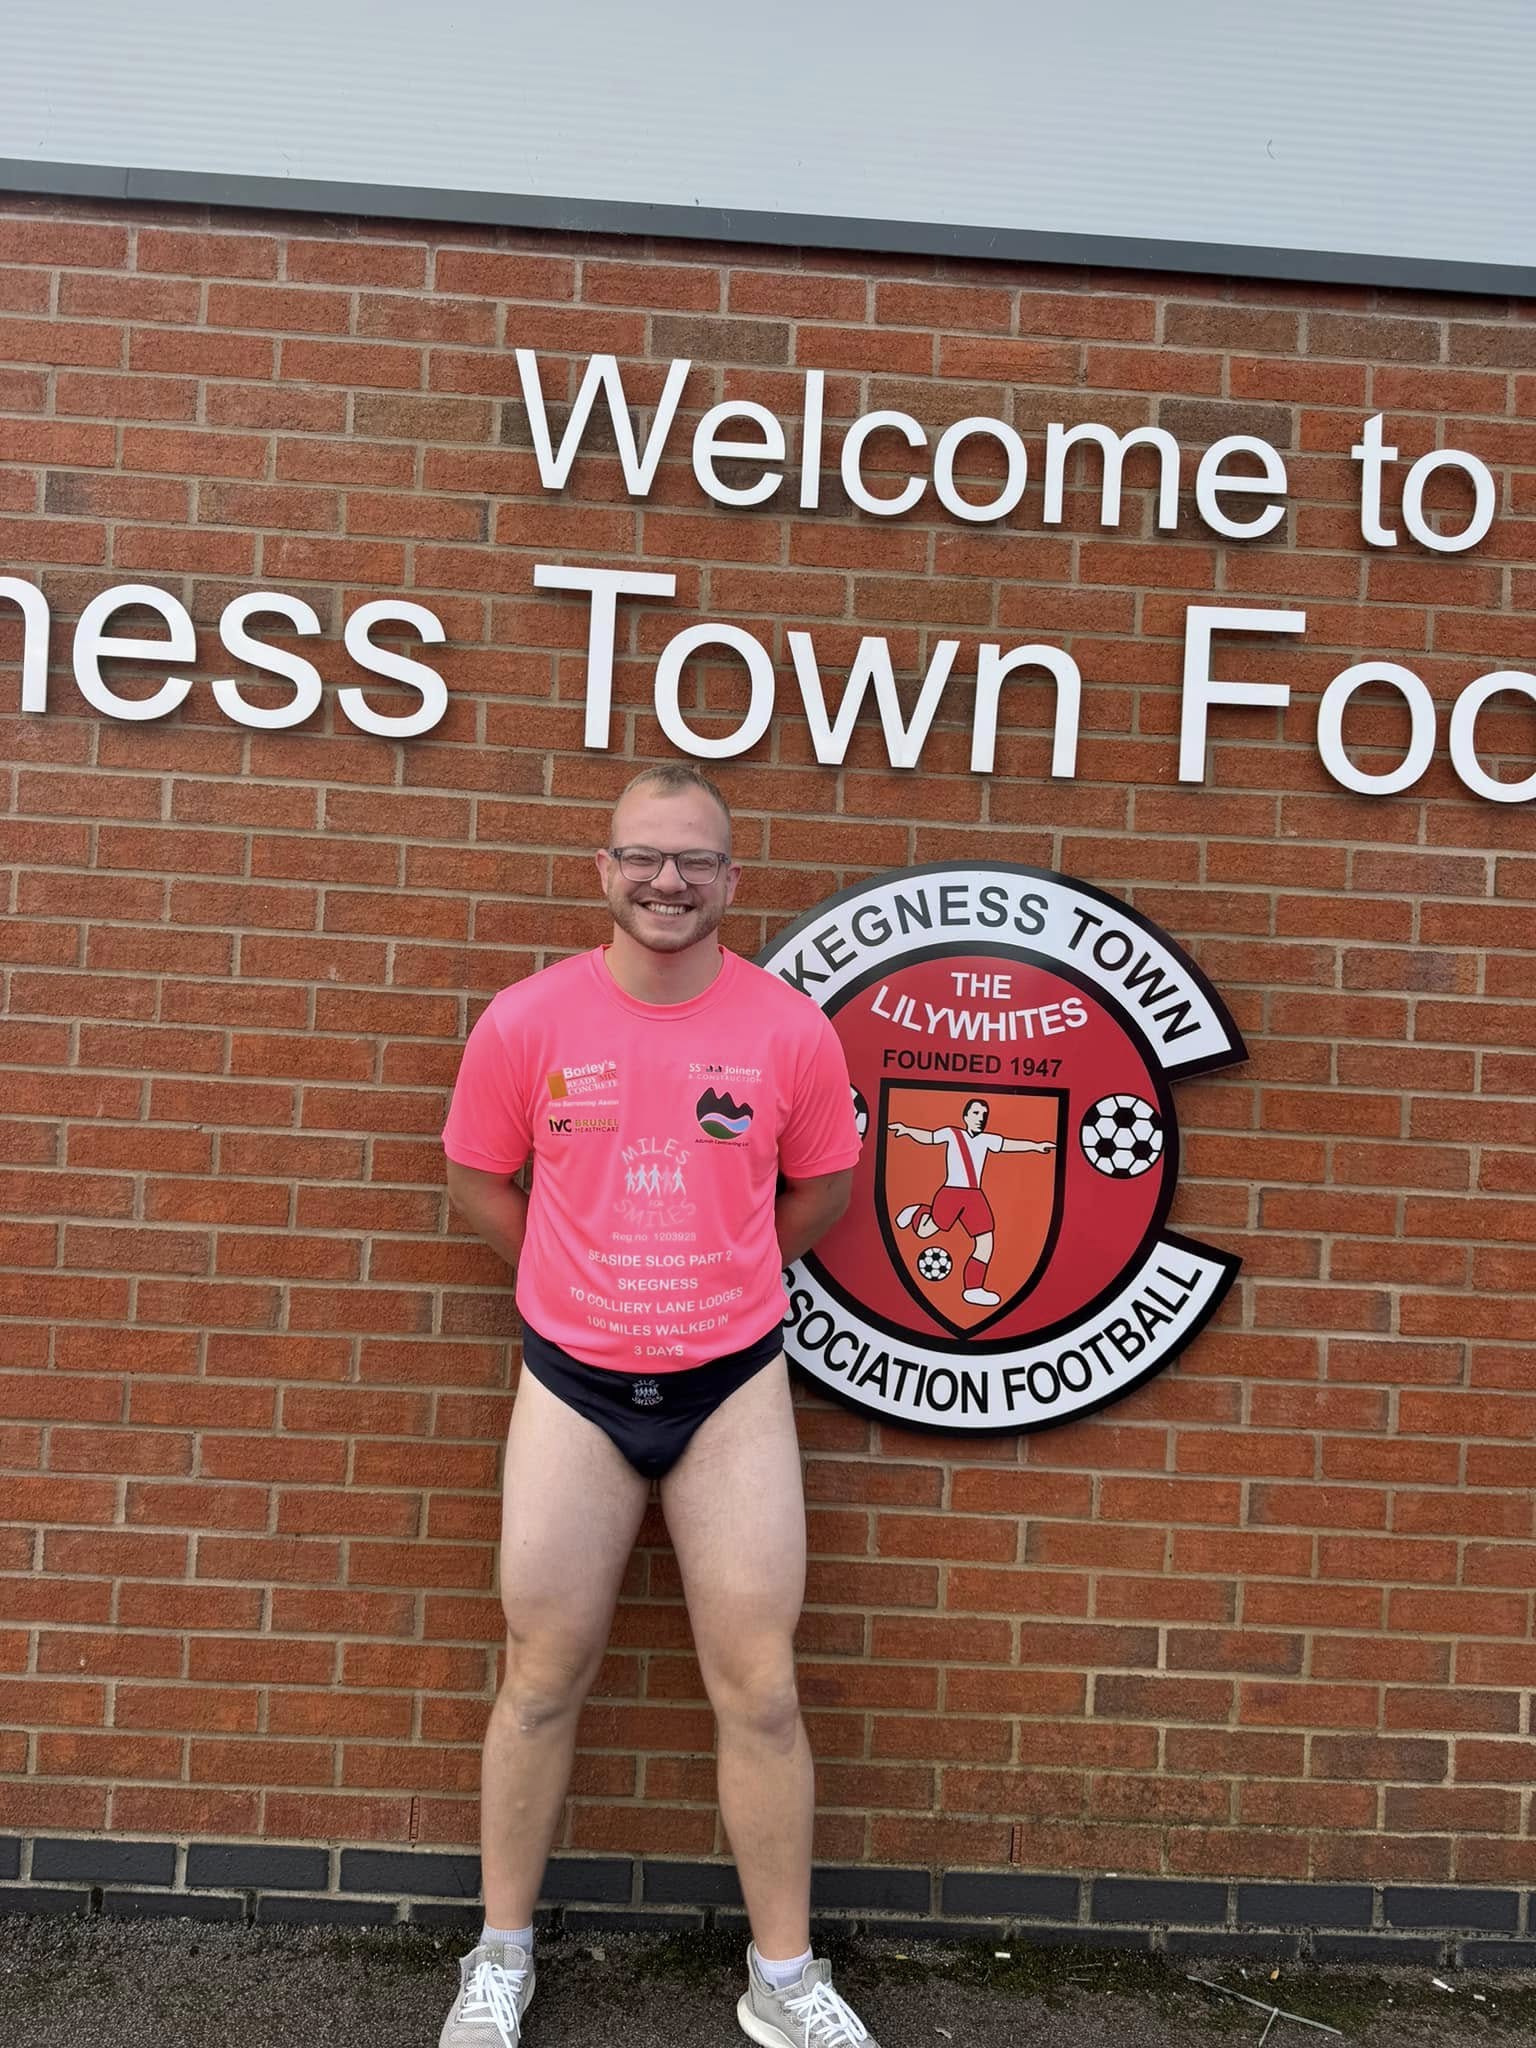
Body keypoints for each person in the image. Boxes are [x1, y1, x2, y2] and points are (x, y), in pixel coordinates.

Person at [437, 763, 879, 2048]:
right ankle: (499, 1955)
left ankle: (783, 1976)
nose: (667, 880)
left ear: (731, 878)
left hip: (730, 1383)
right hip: (571, 1383)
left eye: (694, 860)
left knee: (763, 1687)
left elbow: (823, 1192)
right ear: (605, 868)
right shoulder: (527, 1019)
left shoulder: (789, 1028)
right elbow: (475, 1176)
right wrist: (568, 1275)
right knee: (539, 1676)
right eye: (643, 855)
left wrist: (724, 1270)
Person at [889, 1097, 1054, 1305]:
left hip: (974, 1197)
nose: (981, 1118)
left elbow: (1010, 1144)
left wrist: (1036, 1146)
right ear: (966, 1116)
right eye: (976, 1113)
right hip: (951, 1194)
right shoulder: (952, 1133)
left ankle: (973, 1289)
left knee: (986, 1243)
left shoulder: (987, 1140)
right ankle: (918, 1211)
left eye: (984, 1115)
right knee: (924, 1232)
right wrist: (906, 1130)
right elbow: (929, 1137)